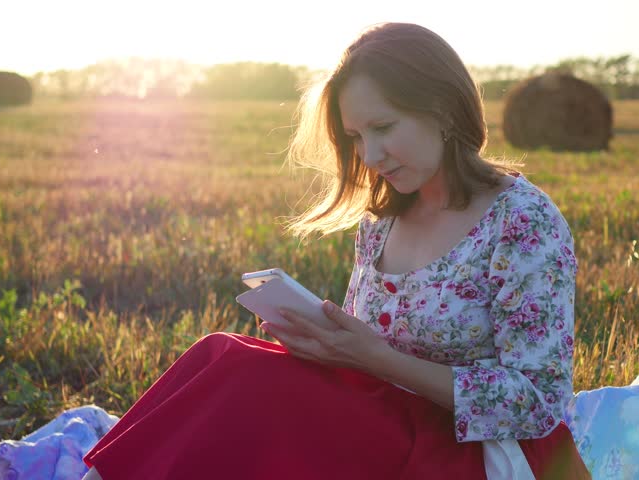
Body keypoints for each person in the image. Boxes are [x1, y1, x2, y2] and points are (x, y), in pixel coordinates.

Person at [82, 22, 591, 479]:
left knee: (249, 385)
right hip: (385, 422)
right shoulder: (382, 219)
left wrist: (379, 359)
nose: (369, 156)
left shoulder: (521, 220)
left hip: (477, 451)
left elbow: (539, 402)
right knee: (220, 355)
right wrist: (323, 344)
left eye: (384, 128)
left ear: (443, 109)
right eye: (355, 136)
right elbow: (366, 352)